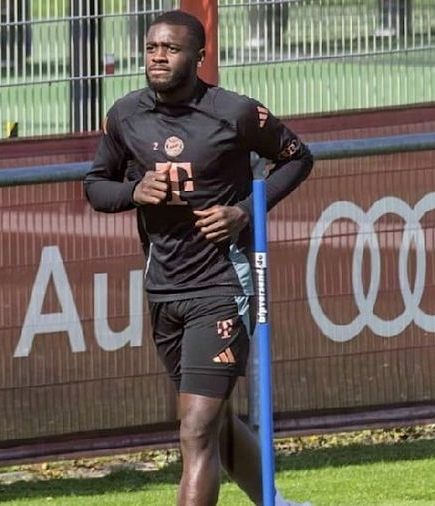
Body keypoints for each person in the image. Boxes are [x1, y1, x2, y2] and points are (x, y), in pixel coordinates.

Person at [85, 10, 313, 506]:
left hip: (222, 285)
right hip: (164, 288)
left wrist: (244, 212)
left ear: (199, 57)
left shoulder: (234, 113)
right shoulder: (125, 115)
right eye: (151, 48)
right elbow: (96, 186)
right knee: (217, 423)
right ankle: (275, 503)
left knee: (195, 429)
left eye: (171, 49)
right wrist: (133, 191)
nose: (158, 57)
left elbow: (297, 158)